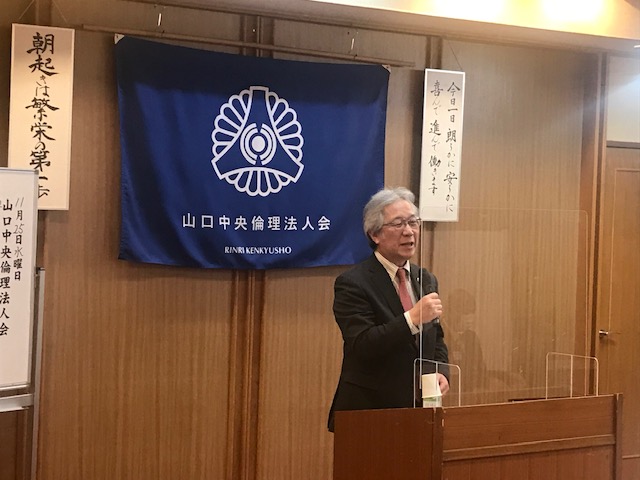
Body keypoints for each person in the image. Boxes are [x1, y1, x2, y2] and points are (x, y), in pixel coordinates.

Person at [327, 187, 449, 432]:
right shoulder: (353, 282)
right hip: (370, 411)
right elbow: (362, 344)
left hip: (418, 410)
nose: (409, 231)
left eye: (413, 222)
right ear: (375, 234)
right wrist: (411, 319)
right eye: (398, 223)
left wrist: (440, 371)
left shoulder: (424, 278)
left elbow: (435, 337)